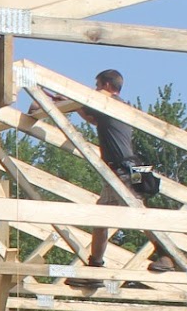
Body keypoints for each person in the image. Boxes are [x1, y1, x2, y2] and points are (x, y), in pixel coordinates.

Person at [30, 70, 173, 287]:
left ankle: (165, 255)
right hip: (123, 168)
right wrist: (67, 103)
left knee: (137, 212)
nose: (95, 89)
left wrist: (57, 99)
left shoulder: (110, 103)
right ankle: (94, 267)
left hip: (124, 168)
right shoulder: (114, 110)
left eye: (97, 85)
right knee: (101, 218)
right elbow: (89, 116)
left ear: (106, 85)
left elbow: (85, 102)